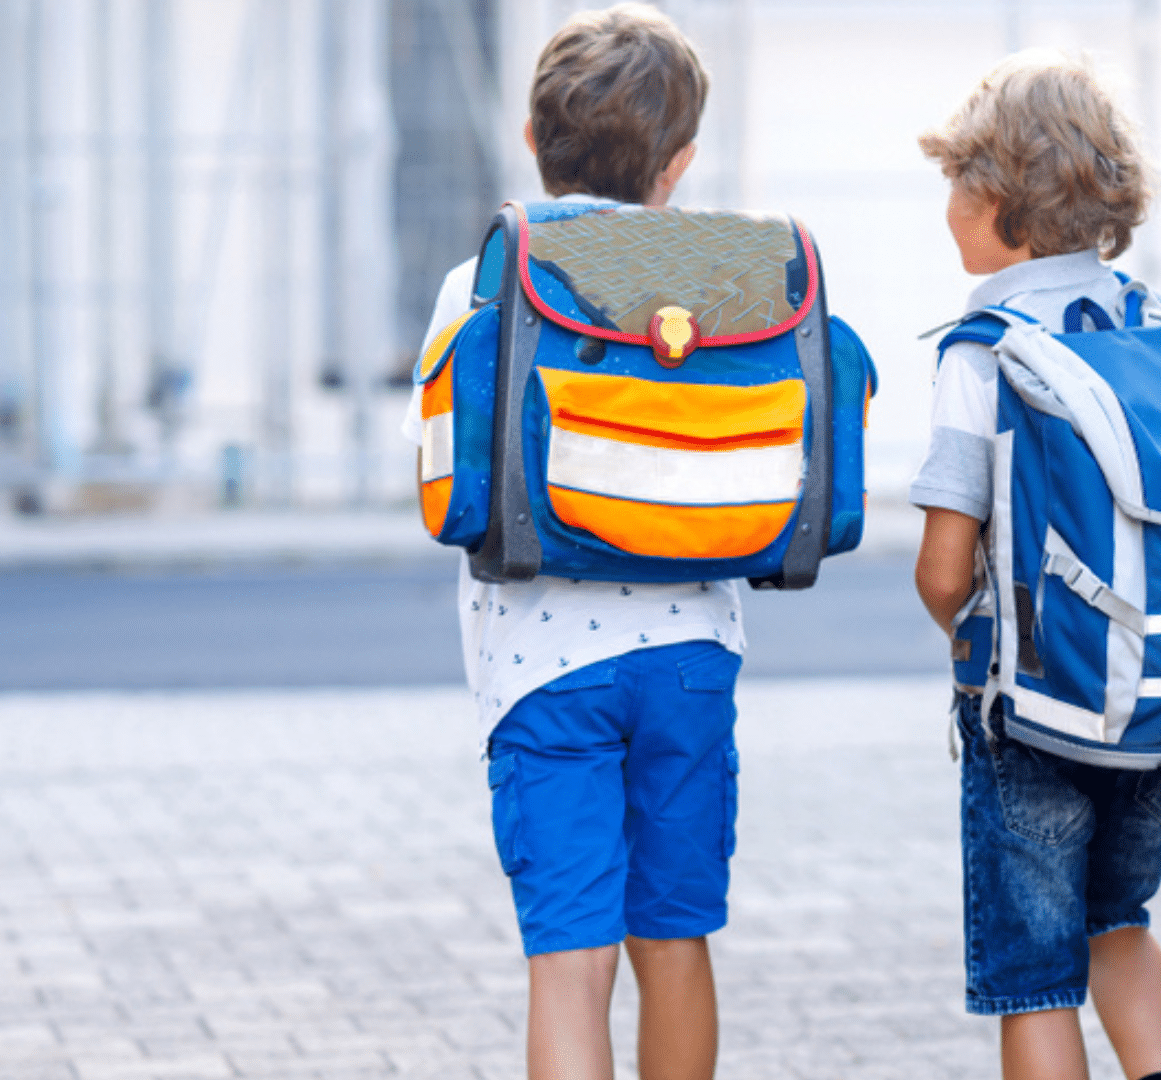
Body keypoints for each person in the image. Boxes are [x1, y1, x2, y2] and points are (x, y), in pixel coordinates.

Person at [400, 8, 740, 1079]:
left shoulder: (487, 280)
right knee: (674, 940)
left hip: (541, 664)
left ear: (532, 141)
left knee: (570, 961)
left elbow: (440, 475)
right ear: (677, 167)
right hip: (692, 654)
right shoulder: (720, 279)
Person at [911, 52, 1161, 1080]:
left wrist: (991, 649)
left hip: (1030, 709)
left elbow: (945, 569)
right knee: (1120, 922)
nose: (945, 206)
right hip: (1144, 693)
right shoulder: (1153, 325)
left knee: (1034, 975)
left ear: (1000, 200)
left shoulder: (981, 350)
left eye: (954, 183)